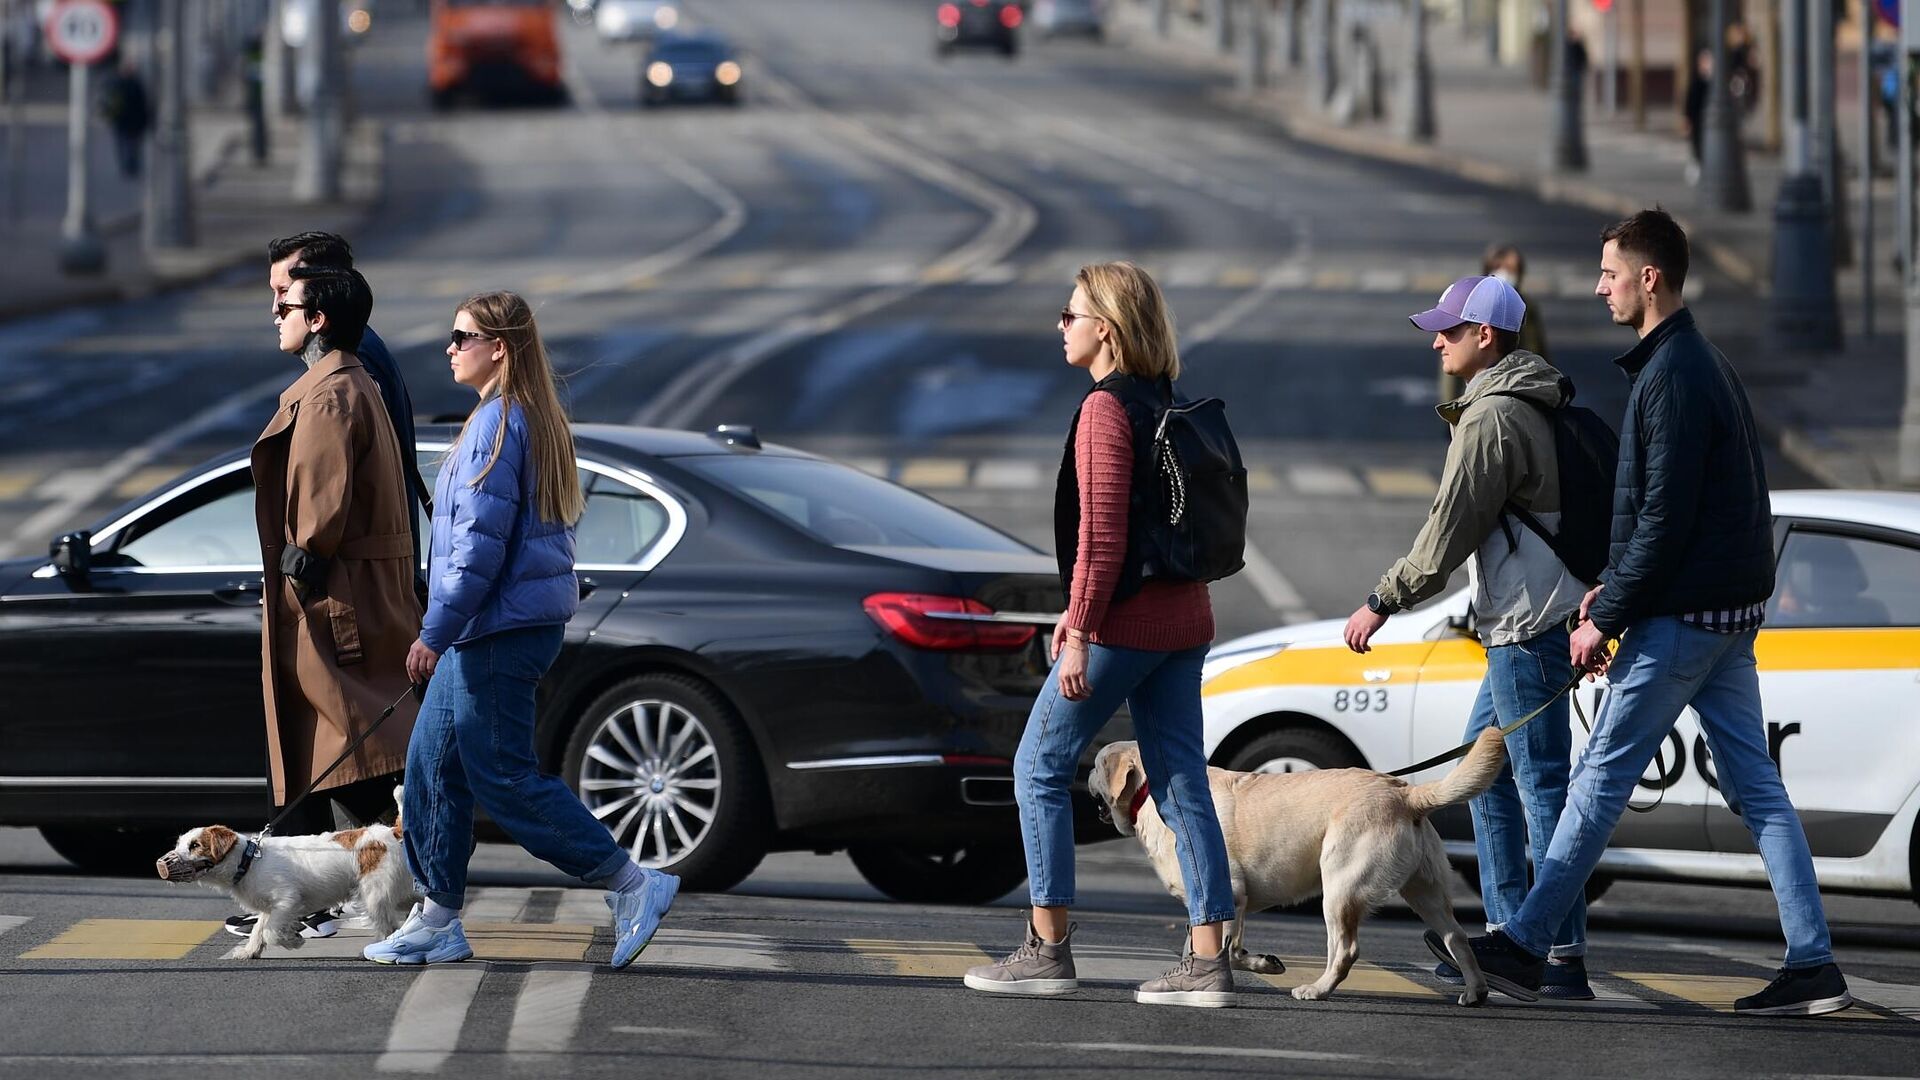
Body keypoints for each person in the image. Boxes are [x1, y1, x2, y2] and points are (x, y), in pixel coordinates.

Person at [1440, 209, 1854, 1017]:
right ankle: (1815, 962)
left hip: (1684, 620)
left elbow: (1663, 518)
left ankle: (1527, 944)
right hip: (1727, 617)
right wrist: (1612, 589)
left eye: (1609, 273)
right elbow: (1682, 513)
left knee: (1595, 783)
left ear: (1649, 278)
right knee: (1758, 790)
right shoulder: (1703, 364)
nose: (1599, 288)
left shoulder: (1672, 376)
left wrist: (1608, 613)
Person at [364, 291, 676, 967]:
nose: (450, 346)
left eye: (462, 335)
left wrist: (433, 632)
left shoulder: (499, 424)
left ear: (498, 347)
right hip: (491, 628)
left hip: (495, 632)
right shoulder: (514, 416)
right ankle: (439, 918)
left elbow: (477, 549)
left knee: (502, 777)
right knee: (431, 772)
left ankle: (632, 882)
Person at [962, 262, 1238, 1008]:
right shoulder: (1161, 399)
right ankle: (1209, 961)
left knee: (1037, 768)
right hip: (1187, 620)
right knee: (1183, 783)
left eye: (1070, 313)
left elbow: (1103, 538)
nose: (1060, 325)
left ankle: (1046, 948)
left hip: (1127, 625)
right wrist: (1077, 613)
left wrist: (1080, 626)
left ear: (1105, 331)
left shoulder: (1104, 410)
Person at [1343, 274, 1592, 1000]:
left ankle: (1556, 953)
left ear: (1488, 337)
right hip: (1527, 622)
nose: (1439, 339)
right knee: (1482, 778)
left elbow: (1447, 529)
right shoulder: (1529, 398)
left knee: (1542, 789)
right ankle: (1510, 939)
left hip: (1528, 625)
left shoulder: (1493, 418)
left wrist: (1381, 601)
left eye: (1451, 329)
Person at [241, 265, 422, 939]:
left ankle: (407, 906)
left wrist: (300, 573)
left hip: (334, 607)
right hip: (361, 597)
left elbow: (316, 515)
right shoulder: (353, 381)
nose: (275, 312)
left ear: (317, 318)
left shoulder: (329, 396)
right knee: (356, 761)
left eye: (284, 303)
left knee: (356, 759)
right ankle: (359, 900)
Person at [268, 233, 431, 598]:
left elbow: (327, 501)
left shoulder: (344, 372)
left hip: (355, 595)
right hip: (368, 588)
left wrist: (295, 582)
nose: (276, 308)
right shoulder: (353, 356)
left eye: (285, 293)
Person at [1482, 243, 1548, 362]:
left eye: (1511, 270)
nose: (1504, 274)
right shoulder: (1475, 305)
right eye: (1498, 267)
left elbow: (1537, 347)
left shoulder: (1527, 307)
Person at [99, 59, 151, 179]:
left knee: (125, 145)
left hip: (125, 122)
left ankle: (128, 166)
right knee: (129, 145)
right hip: (129, 122)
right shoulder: (134, 84)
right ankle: (130, 166)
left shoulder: (120, 83)